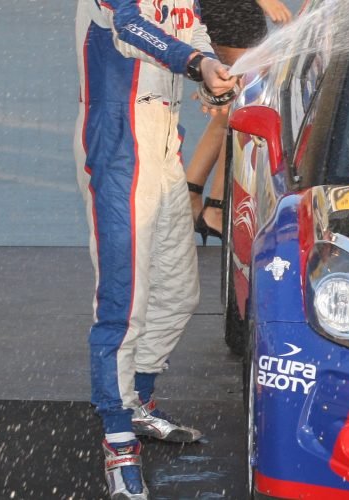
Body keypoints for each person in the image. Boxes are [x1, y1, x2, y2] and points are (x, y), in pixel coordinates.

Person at [74, 1, 237, 498]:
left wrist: (212, 69)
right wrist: (197, 64)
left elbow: (194, 26)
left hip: (164, 139)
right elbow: (129, 27)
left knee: (179, 293)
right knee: (124, 304)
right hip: (118, 141)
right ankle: (117, 440)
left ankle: (136, 402)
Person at [185, 0, 292, 243]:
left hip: (232, 8)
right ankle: (215, 206)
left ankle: (192, 193)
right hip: (233, 7)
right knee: (244, 100)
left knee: (233, 104)